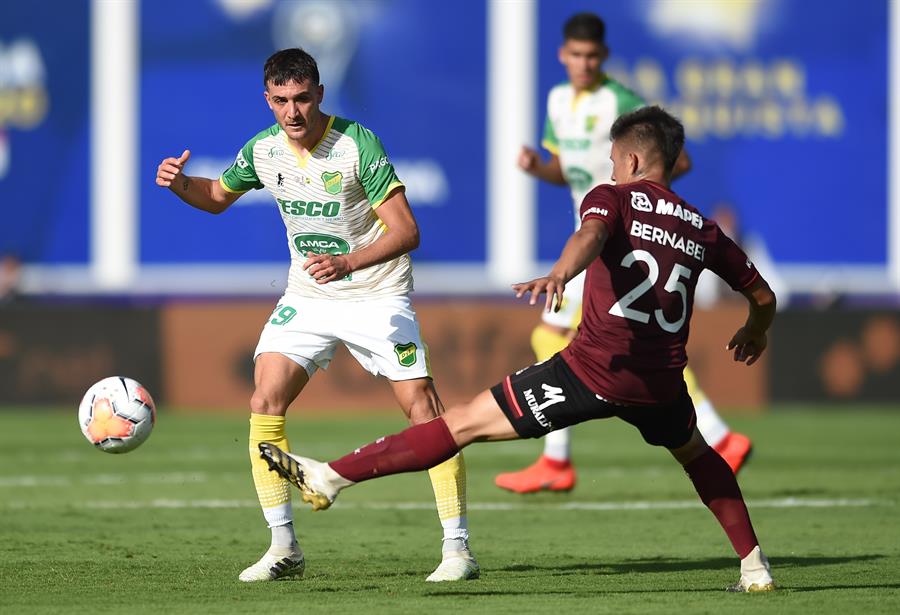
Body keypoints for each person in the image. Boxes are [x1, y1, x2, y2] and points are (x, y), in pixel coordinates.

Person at [259, 106, 777, 593]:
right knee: (697, 456)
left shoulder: (612, 197)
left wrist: (558, 274)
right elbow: (762, 294)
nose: (611, 168)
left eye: (614, 160)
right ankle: (754, 567)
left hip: (592, 372)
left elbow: (592, 236)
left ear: (634, 159)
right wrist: (755, 329)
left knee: (459, 425)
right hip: (661, 383)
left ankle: (330, 477)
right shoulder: (700, 227)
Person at [155, 48, 478, 583]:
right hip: (309, 296)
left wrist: (348, 261)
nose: (293, 112)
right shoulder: (263, 151)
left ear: (320, 94)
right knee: (264, 397)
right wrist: (182, 184)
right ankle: (284, 547)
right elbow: (216, 196)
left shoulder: (356, 145)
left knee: (423, 410)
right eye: (281, 101)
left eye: (302, 98)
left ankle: (457, 548)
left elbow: (406, 232)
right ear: (268, 100)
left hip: (376, 293)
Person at [499, 12, 751, 494]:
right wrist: (538, 167)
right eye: (575, 55)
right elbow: (567, 170)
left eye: (592, 56)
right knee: (599, 337)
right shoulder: (557, 101)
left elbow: (677, 159)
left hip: (615, 234)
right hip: (589, 228)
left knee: (554, 333)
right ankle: (719, 435)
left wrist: (642, 207)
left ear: (604, 57)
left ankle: (557, 459)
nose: (583, 63)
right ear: (562, 54)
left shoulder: (622, 100)